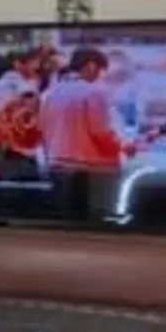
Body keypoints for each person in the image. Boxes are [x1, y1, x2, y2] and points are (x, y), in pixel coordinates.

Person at [35, 45, 131, 221]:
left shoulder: (48, 93)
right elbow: (100, 132)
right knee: (93, 223)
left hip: (57, 166)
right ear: (91, 66)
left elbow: (41, 128)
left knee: (64, 222)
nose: (101, 77)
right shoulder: (94, 92)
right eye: (102, 71)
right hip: (91, 171)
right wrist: (122, 147)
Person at [0, 41, 52, 184]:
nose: (37, 66)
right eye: (33, 62)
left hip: (3, 151)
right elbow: (28, 121)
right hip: (15, 154)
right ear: (18, 64)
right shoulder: (18, 87)